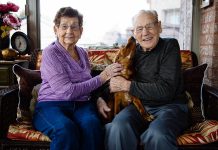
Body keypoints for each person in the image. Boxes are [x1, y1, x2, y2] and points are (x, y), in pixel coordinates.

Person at [97, 10, 190, 150]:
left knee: (158, 134)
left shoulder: (170, 46)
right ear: (134, 33)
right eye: (139, 29)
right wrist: (100, 97)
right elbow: (114, 81)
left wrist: (127, 86)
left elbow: (166, 90)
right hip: (138, 107)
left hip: (170, 107)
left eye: (150, 26)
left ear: (159, 27)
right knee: (118, 127)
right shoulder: (130, 53)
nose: (145, 32)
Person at [32, 7, 122, 150]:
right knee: (65, 129)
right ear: (56, 30)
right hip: (51, 105)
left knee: (92, 125)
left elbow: (86, 84)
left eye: (74, 27)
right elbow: (66, 92)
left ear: (81, 31)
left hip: (81, 105)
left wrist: (97, 99)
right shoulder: (51, 53)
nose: (69, 31)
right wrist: (102, 77)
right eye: (64, 26)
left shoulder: (82, 53)